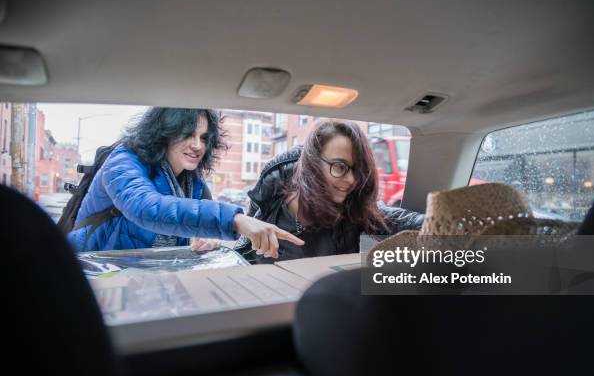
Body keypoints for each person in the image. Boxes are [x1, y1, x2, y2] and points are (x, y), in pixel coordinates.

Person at [67, 107, 303, 254]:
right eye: (187, 134)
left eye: (203, 137)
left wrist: (204, 240)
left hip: (140, 278)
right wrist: (238, 221)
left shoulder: (193, 183)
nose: (198, 145)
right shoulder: (122, 161)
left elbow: (188, 226)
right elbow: (147, 209)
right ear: (164, 132)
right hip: (92, 274)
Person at [236, 119, 424, 264]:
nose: (351, 180)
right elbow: (244, 246)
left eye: (357, 170)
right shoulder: (271, 193)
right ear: (313, 162)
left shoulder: (352, 209)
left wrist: (439, 222)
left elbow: (394, 219)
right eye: (340, 166)